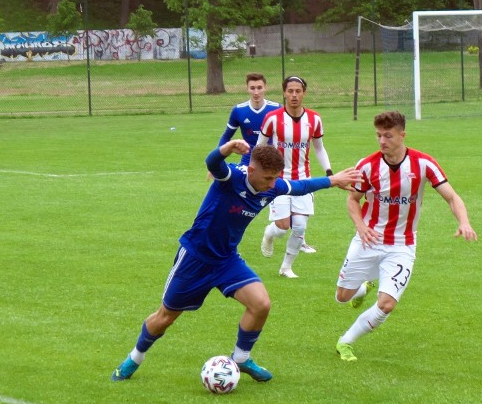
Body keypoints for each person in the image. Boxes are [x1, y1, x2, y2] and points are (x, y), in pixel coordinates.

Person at [111, 141, 360, 382]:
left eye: (275, 178)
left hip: (227, 260)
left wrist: (332, 180)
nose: (272, 184)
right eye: (267, 178)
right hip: (195, 258)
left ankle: (241, 358)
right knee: (166, 316)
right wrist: (226, 149)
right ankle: (135, 358)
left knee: (261, 304)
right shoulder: (231, 178)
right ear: (251, 170)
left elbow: (300, 186)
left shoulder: (273, 186)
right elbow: (213, 162)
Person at [333, 110, 478, 362]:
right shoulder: (367, 165)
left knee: (387, 304)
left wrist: (464, 222)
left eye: (387, 136)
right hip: (368, 240)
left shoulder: (423, 163)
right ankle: (363, 286)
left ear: (402, 135)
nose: (381, 141)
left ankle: (345, 342)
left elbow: (452, 197)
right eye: (378, 135)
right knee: (342, 297)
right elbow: (353, 200)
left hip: (402, 244)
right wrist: (360, 225)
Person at [211, 72, 316, 254]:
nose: (256, 92)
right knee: (240, 200)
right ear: (247, 89)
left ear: (265, 88)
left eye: (259, 87)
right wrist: (218, 159)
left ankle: (300, 237)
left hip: (272, 162)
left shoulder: (275, 110)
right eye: (252, 88)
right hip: (248, 161)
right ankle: (231, 240)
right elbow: (226, 137)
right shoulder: (239, 110)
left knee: (292, 196)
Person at [257, 76, 333, 277]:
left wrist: (329, 171)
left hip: (304, 180)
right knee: (282, 227)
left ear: (304, 93)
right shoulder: (272, 118)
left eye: (298, 91)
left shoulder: (314, 119)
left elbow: (319, 148)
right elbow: (260, 146)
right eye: (290, 91)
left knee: (299, 226)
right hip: (279, 179)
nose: (294, 95)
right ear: (284, 92)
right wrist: (258, 171)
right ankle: (269, 233)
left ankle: (286, 267)